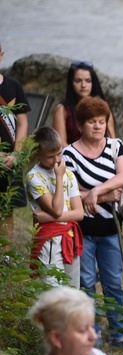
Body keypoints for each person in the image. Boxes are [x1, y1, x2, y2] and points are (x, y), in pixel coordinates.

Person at [63, 96, 123, 347]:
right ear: (80, 125)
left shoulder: (116, 146)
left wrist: (92, 192)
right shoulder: (69, 153)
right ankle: (93, 335)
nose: (98, 126)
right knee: (87, 283)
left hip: (110, 228)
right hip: (82, 229)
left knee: (114, 282)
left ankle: (119, 335)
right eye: (92, 122)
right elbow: (69, 193)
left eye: (102, 121)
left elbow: (122, 177)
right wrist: (104, 194)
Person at [26, 127, 83, 287]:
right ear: (37, 155)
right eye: (51, 157)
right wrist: (59, 177)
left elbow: (79, 213)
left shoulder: (69, 175)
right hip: (49, 241)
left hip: (69, 237)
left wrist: (48, 218)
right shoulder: (34, 177)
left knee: (72, 291)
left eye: (59, 153)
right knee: (53, 290)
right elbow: (57, 209)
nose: (57, 160)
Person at [0, 42, 30, 240]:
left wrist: (16, 154)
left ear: (1, 55)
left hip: (9, 159)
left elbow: (22, 124)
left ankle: (7, 258)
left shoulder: (13, 86)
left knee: (7, 209)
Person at [52, 61, 116, 148]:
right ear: (71, 83)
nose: (83, 85)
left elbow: (112, 138)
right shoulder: (62, 110)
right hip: (71, 158)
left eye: (88, 81)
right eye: (78, 81)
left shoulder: (103, 107)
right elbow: (60, 143)